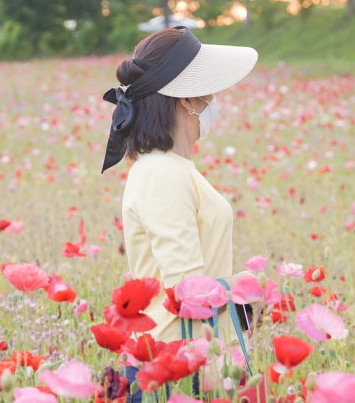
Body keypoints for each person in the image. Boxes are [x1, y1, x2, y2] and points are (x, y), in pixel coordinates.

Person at [101, 26, 258, 399]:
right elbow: (185, 292)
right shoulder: (162, 174)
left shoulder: (173, 168)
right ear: (187, 100)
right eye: (210, 91)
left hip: (189, 359)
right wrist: (248, 286)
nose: (216, 100)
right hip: (174, 369)